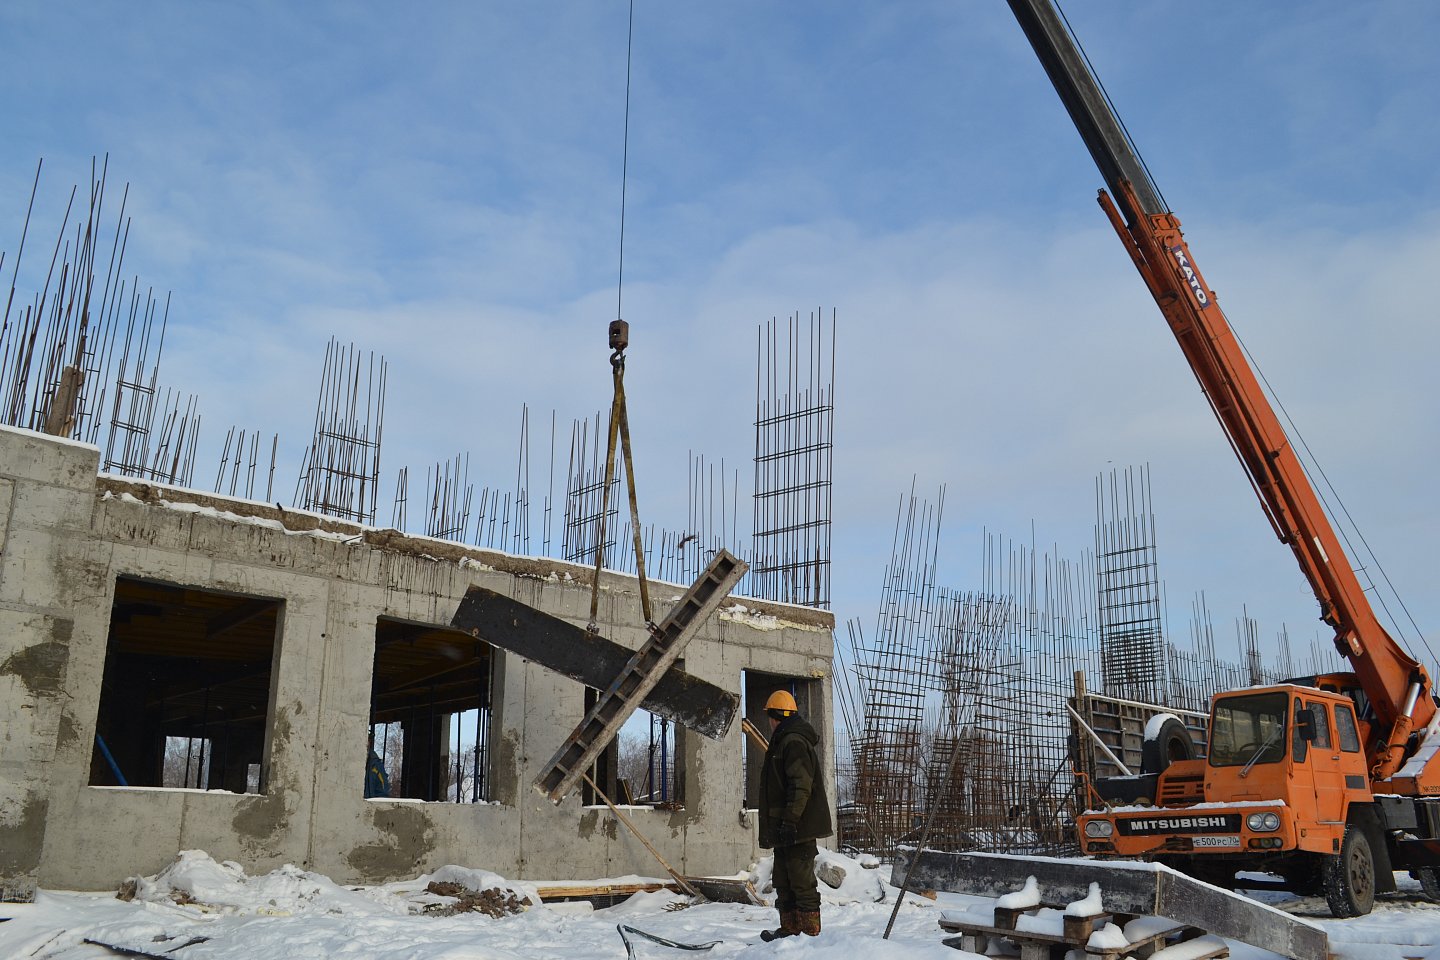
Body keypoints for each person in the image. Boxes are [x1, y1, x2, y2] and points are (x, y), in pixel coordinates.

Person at [758, 689, 833, 940]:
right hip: (786, 826)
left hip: (798, 827)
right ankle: (790, 930)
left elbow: (801, 786)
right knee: (784, 878)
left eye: (769, 715)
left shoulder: (793, 742)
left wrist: (790, 821)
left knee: (801, 882)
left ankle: (811, 935)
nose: (768, 722)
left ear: (775, 716)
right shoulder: (784, 740)